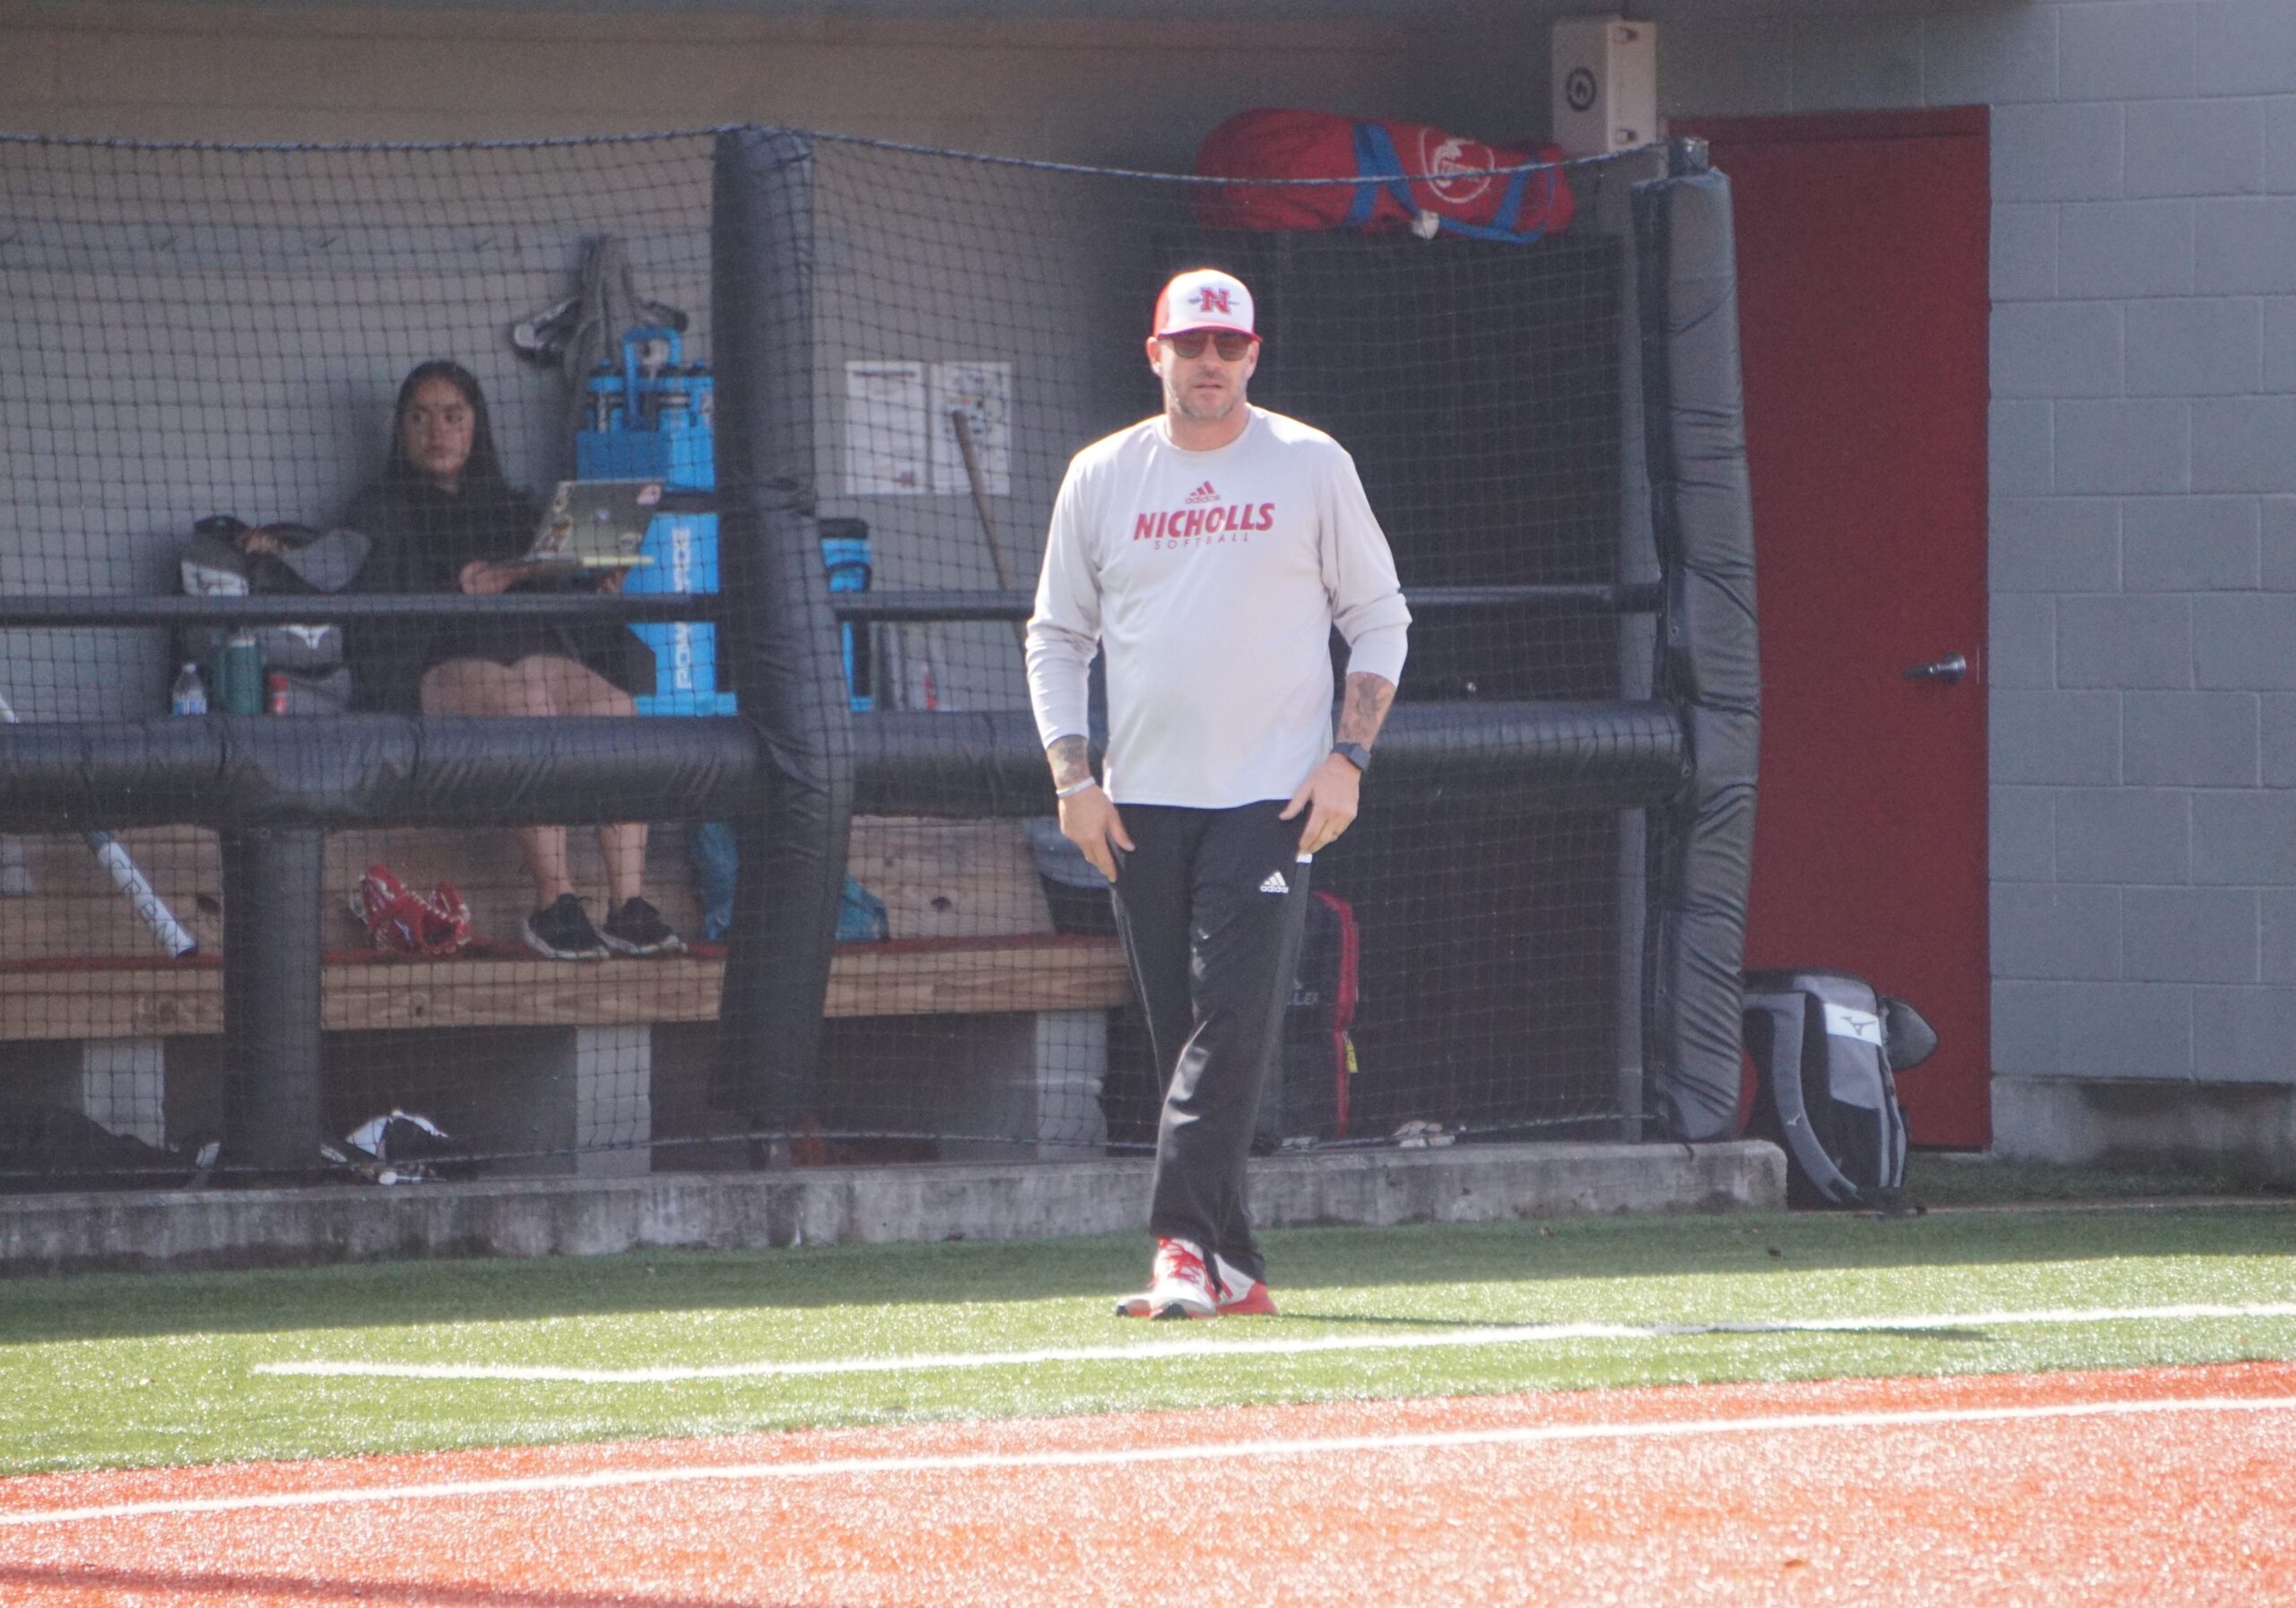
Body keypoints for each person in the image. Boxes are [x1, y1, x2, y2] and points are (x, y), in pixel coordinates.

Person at [1025, 268, 1410, 1320]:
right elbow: (1057, 635)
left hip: (1272, 799)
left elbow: (1380, 619)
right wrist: (1074, 777)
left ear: (1253, 353)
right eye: (1190, 345)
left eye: (1227, 346)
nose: (1209, 364)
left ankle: (1181, 1247)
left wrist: (1347, 758)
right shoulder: (1101, 474)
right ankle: (1236, 1262)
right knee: (1181, 1032)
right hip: (1139, 803)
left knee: (1230, 1021)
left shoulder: (1308, 463)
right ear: (1154, 352)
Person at [341, 359, 683, 961]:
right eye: (419, 418)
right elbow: (369, 619)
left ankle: (628, 903)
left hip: (534, 649)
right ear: (401, 430)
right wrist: (457, 592)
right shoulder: (375, 510)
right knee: (527, 702)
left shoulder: (515, 506)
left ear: (477, 426)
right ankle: (555, 902)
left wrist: (597, 589)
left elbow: (554, 598)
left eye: (453, 416)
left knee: (615, 707)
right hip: (441, 658)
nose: (437, 431)